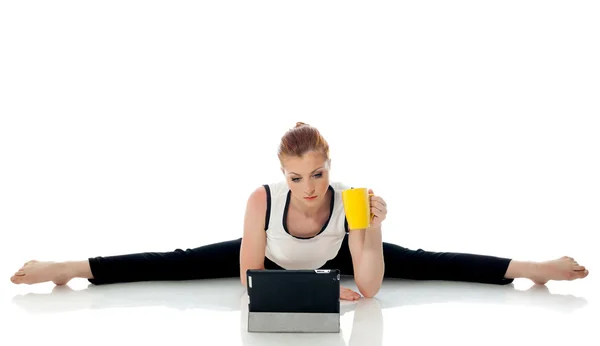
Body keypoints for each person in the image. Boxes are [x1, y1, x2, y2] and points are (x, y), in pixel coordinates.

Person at [10, 122, 589, 300]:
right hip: (275, 252)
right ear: (281, 174)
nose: (309, 188)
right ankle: (70, 266)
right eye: (297, 177)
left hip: (339, 248)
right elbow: (250, 283)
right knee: (180, 259)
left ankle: (530, 267)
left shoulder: (353, 201)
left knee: (427, 259)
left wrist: (371, 230)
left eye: (318, 174)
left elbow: (368, 287)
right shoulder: (262, 200)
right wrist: (316, 288)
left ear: (329, 168)